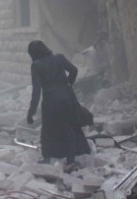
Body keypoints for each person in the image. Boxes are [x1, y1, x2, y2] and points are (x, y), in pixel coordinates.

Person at [26, 40, 91, 170]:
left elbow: (37, 91)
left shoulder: (36, 65)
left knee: (48, 130)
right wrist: (68, 84)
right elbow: (74, 70)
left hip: (50, 101)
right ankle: (70, 160)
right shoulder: (59, 58)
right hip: (66, 99)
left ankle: (47, 158)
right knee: (68, 129)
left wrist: (31, 112)